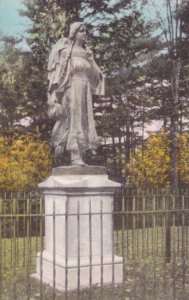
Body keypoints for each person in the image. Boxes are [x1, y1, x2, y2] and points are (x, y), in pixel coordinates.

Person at [47, 22, 104, 165]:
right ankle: (74, 155)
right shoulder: (67, 51)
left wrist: (91, 59)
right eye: (82, 31)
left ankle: (81, 154)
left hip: (85, 91)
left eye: (86, 31)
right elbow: (58, 73)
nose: (85, 34)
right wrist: (55, 93)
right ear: (74, 33)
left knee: (85, 120)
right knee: (74, 119)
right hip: (72, 88)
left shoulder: (87, 53)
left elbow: (97, 76)